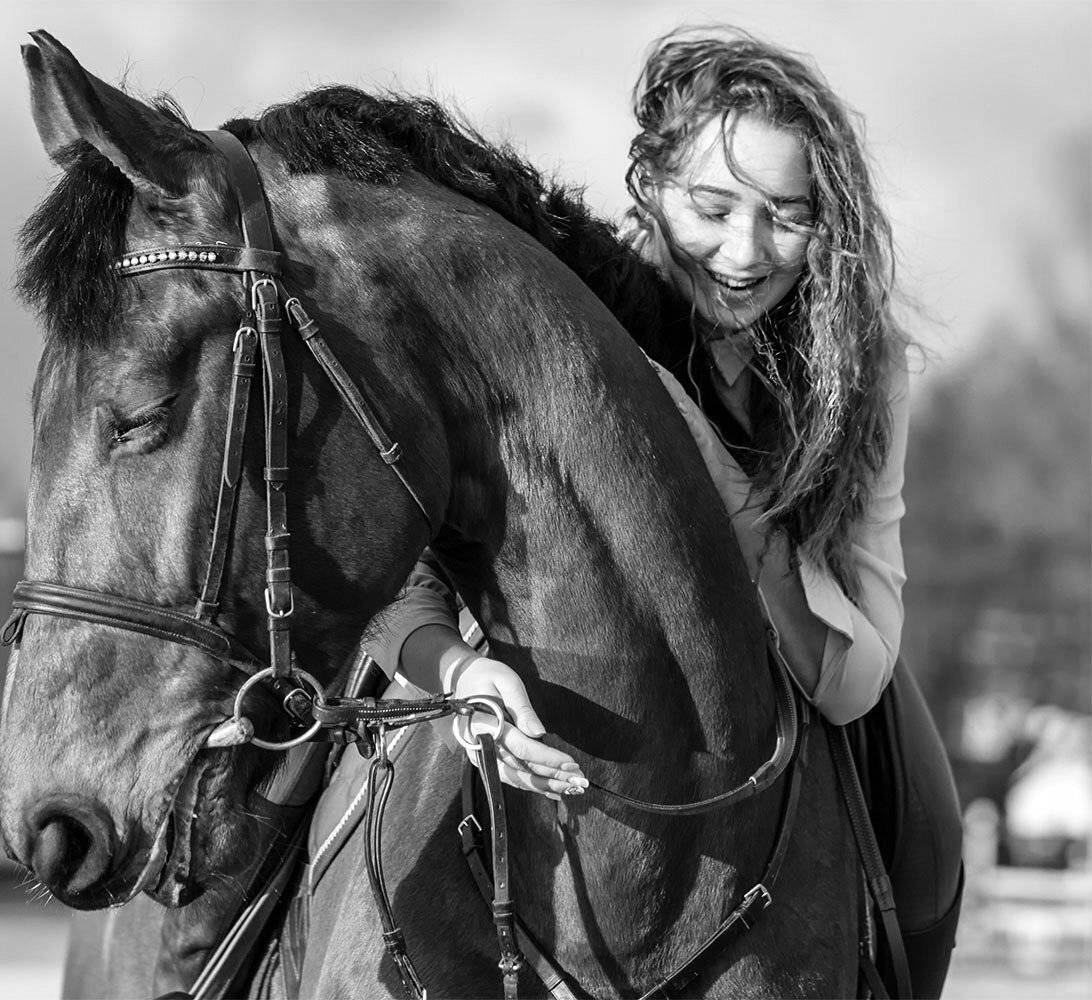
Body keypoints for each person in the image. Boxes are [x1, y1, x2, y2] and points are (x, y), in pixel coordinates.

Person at [360, 26, 963, 997]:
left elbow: (854, 675)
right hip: (493, 648)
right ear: (648, 186)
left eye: (787, 214)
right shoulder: (560, 306)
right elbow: (410, 568)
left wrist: (712, 477)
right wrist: (458, 671)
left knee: (925, 827)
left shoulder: (866, 366)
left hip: (797, 653)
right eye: (712, 206)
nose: (745, 250)